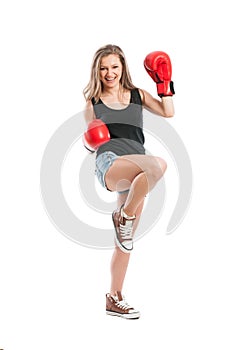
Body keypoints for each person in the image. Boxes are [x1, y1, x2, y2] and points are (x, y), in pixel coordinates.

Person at [83, 44, 175, 319]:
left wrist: (164, 83)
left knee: (124, 242)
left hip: (138, 171)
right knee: (159, 165)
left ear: (123, 67)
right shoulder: (94, 102)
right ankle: (123, 215)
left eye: (114, 66)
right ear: (97, 72)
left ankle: (114, 297)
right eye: (103, 68)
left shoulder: (138, 95)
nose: (109, 73)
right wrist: (92, 137)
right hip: (110, 162)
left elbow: (168, 111)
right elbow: (90, 140)